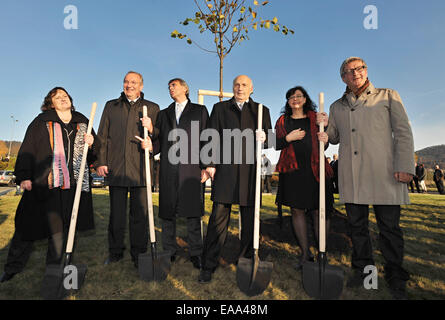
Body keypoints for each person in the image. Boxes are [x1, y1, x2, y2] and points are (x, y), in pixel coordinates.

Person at [320, 57, 415, 299]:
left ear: (366, 70)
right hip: (353, 175)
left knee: (390, 228)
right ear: (343, 77)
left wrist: (405, 165)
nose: (356, 73)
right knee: (357, 227)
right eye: (349, 71)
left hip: (385, 173)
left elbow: (403, 132)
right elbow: (332, 137)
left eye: (360, 68)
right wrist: (323, 127)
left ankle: (395, 275)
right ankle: (363, 270)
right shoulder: (336, 106)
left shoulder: (388, 96)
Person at [1, 87, 96, 283]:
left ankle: (55, 270)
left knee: (63, 231)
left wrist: (93, 143)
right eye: (57, 97)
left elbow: (92, 156)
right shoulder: (41, 122)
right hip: (44, 184)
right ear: (51, 103)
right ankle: (13, 267)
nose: (62, 99)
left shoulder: (83, 122)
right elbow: (28, 148)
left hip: (72, 187)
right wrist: (24, 175)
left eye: (65, 95)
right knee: (26, 227)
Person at [198, 75, 272, 283]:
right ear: (233, 88)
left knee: (249, 221)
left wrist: (265, 137)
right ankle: (209, 264)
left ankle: (246, 260)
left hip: (250, 172)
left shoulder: (261, 110)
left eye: (244, 85)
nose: (240, 88)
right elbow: (209, 136)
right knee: (218, 220)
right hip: (226, 171)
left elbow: (270, 139)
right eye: (237, 85)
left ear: (252, 88)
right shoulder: (220, 108)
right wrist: (209, 163)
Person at [141, 78, 209, 269]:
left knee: (193, 213)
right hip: (169, 168)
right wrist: (150, 145)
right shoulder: (164, 114)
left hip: (192, 168)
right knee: (167, 212)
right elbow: (159, 139)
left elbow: (207, 136)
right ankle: (169, 250)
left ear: (185, 88)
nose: (171, 88)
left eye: (174, 85)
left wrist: (207, 165)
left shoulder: (199, 111)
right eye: (169, 86)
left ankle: (196, 252)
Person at [96, 71, 160, 268]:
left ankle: (139, 254)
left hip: (141, 170)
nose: (129, 85)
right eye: (126, 81)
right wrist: (101, 161)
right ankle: (115, 252)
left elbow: (160, 137)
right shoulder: (111, 106)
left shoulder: (152, 108)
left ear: (141, 85)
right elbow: (102, 136)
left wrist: (151, 132)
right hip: (117, 168)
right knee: (116, 216)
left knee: (139, 216)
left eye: (134, 82)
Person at [274, 86, 334, 269]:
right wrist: (289, 138)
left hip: (315, 171)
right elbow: (276, 144)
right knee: (297, 211)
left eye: (299, 96)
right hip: (293, 173)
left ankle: (322, 252)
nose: (295, 99)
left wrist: (327, 135)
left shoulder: (316, 118)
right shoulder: (283, 121)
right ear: (288, 101)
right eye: (291, 96)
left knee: (320, 211)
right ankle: (305, 253)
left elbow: (326, 142)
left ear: (305, 99)